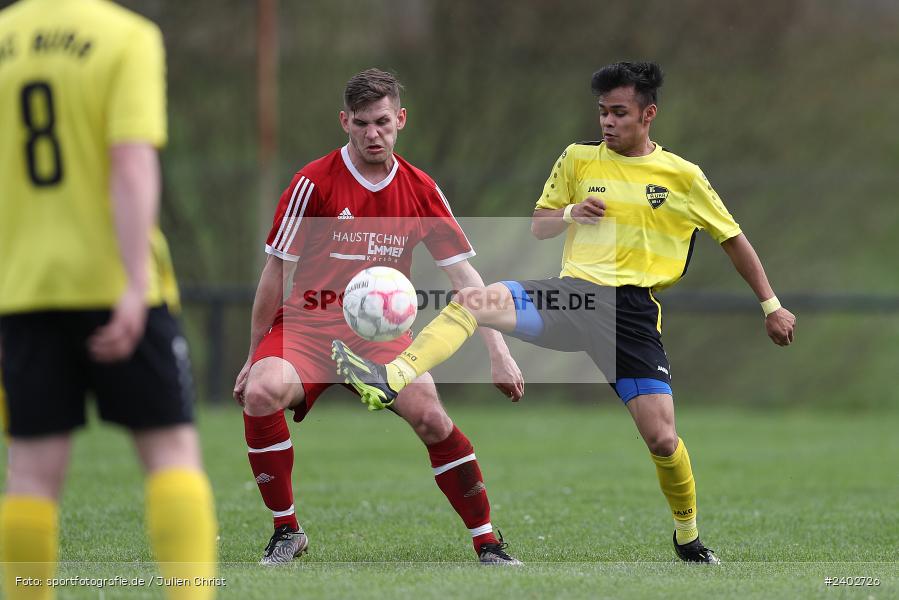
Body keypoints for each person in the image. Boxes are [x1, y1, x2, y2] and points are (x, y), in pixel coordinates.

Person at [332, 61, 797, 564]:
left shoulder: (681, 176)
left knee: (663, 440)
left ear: (648, 115)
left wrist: (770, 305)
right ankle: (392, 376)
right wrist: (571, 213)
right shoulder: (578, 160)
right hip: (572, 298)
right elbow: (540, 225)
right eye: (602, 112)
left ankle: (688, 537)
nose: (607, 122)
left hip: (631, 317)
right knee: (476, 300)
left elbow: (732, 238)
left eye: (619, 113)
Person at [232, 68, 524, 566]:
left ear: (400, 120)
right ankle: (287, 531)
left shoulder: (420, 189)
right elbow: (276, 271)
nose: (373, 134)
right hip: (307, 327)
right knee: (261, 392)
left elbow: (465, 277)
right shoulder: (313, 182)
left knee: (432, 418)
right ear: (344, 121)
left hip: (381, 338)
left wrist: (500, 352)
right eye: (362, 123)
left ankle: (488, 542)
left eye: (383, 123)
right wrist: (254, 354)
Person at [0, 1, 217, 598]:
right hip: (117, 287)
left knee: (30, 474)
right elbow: (129, 161)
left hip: (22, 291)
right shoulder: (127, 38)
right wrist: (128, 282)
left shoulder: (5, 38)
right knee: (171, 453)